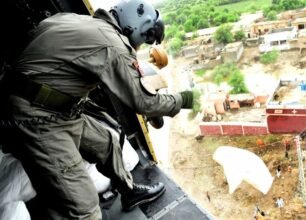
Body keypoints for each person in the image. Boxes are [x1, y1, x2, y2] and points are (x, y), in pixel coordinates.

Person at [2, 0, 194, 219]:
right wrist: (185, 99)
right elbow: (144, 104)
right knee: (84, 205)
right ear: (139, 25)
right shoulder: (112, 44)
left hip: (57, 110)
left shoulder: (77, 20)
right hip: (37, 117)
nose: (144, 43)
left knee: (107, 143)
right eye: (148, 36)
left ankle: (129, 191)